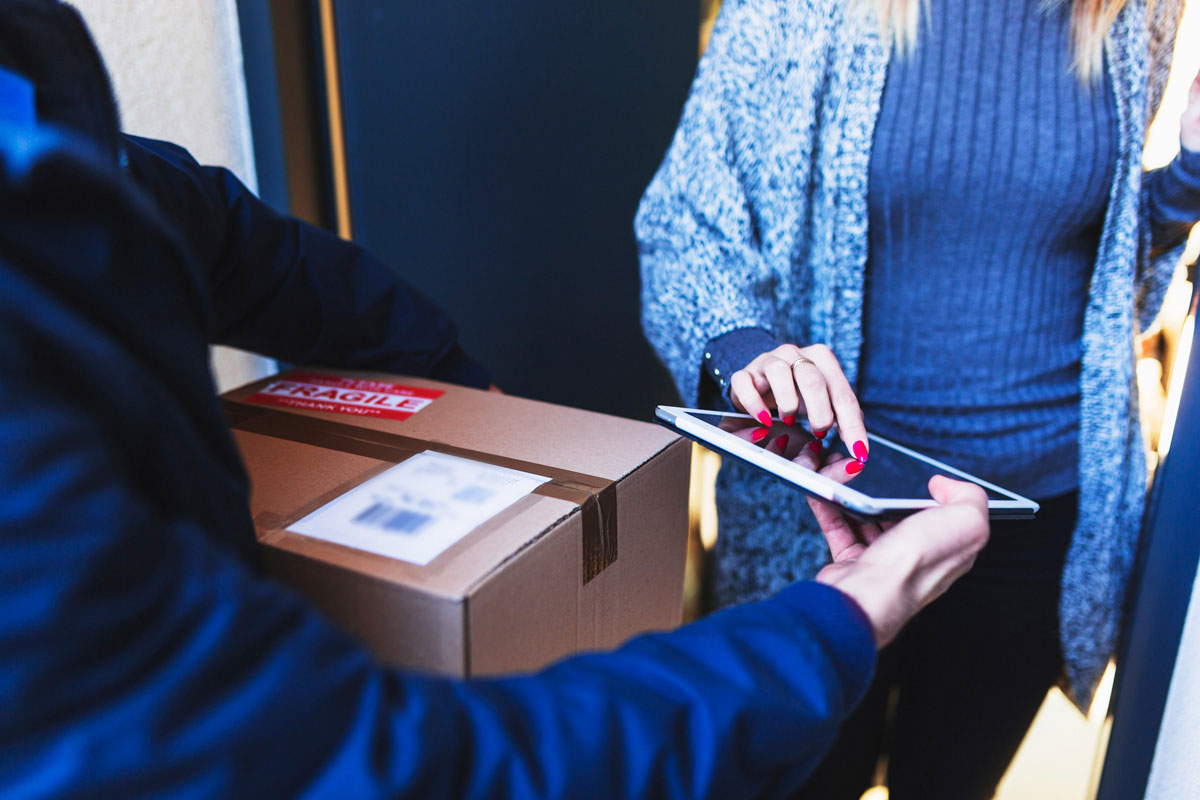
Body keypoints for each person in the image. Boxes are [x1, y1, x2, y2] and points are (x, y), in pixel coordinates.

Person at [0, 2, 991, 797]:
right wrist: (833, 623)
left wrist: (462, 393)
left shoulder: (35, 99)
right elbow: (402, 764)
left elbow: (215, 232)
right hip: (830, 563)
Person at [636, 0, 1200, 797]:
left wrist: (1189, 173)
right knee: (799, 779)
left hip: (1034, 522)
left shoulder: (1134, 13)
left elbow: (1104, 264)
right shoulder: (799, 9)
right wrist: (747, 349)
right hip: (822, 516)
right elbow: (686, 220)